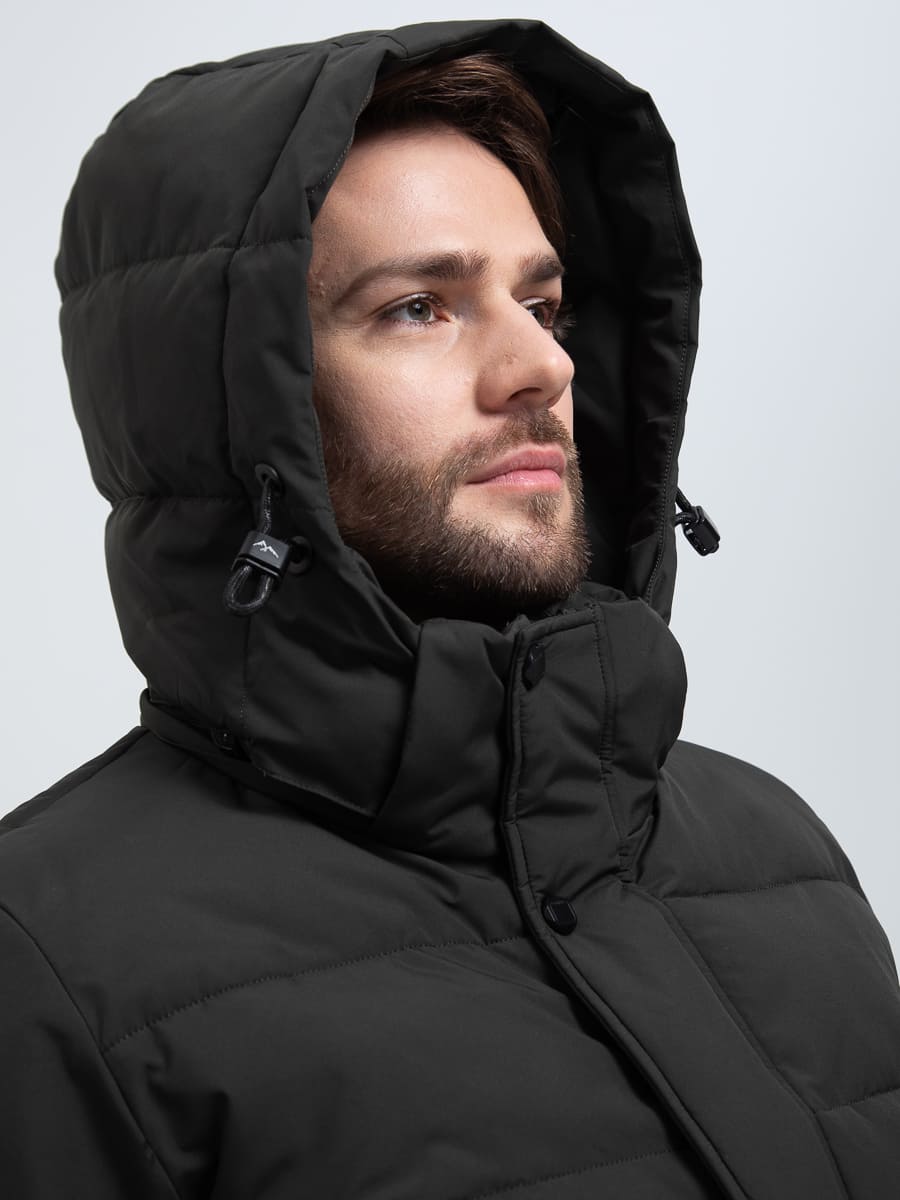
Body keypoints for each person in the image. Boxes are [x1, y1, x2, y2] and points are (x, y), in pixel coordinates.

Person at [1, 17, 898, 1198]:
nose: (544, 368)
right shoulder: (47, 962)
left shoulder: (779, 851)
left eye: (545, 304)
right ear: (232, 412)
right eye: (419, 305)